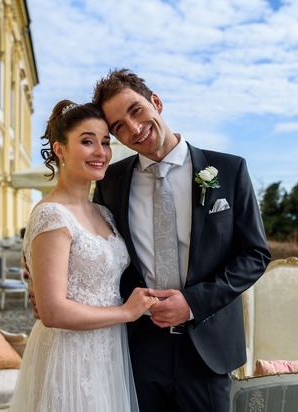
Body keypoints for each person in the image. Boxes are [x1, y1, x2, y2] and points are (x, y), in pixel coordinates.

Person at [91, 69, 271, 412]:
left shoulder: (228, 169)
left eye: (136, 110)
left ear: (156, 102)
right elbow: (102, 251)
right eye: (119, 127)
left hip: (207, 346)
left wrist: (192, 303)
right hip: (139, 348)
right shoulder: (110, 181)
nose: (134, 129)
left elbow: (255, 254)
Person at [8, 99, 158, 412]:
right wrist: (126, 312)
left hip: (108, 352)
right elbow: (52, 312)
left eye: (105, 142)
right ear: (59, 149)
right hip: (69, 355)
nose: (100, 152)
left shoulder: (104, 213)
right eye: (87, 142)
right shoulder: (51, 215)